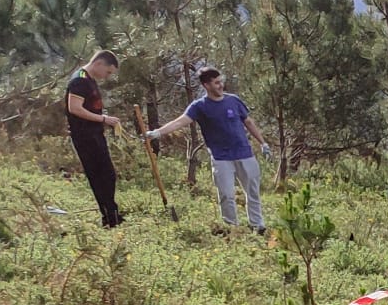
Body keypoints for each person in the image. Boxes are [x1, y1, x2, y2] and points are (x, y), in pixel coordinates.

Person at [145, 66, 270, 233]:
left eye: (221, 82)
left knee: (252, 192)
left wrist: (263, 143)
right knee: (226, 195)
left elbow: (248, 122)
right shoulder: (199, 106)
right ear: (206, 85)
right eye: (216, 83)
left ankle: (258, 225)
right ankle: (232, 229)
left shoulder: (234, 100)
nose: (220, 85)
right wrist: (157, 133)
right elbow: (180, 122)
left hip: (244, 154)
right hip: (221, 157)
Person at [63, 50, 124, 227]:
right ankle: (109, 217)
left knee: (108, 174)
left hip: (95, 133)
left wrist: (103, 118)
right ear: (99, 64)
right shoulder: (80, 80)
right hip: (85, 136)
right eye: (108, 72)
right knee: (100, 175)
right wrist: (104, 119)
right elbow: (75, 108)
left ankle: (112, 213)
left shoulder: (89, 80)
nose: (107, 76)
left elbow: (88, 106)